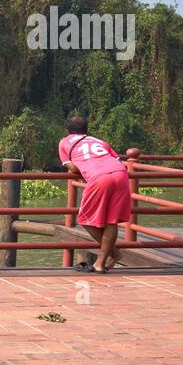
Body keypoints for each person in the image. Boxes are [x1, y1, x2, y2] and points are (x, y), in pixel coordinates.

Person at [59, 116, 131, 273]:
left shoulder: (64, 142)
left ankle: (114, 253)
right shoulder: (98, 141)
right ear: (86, 130)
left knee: (85, 219)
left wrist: (85, 166)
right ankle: (101, 262)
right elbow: (117, 159)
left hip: (99, 178)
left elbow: (72, 168)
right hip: (121, 173)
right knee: (111, 220)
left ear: (68, 131)